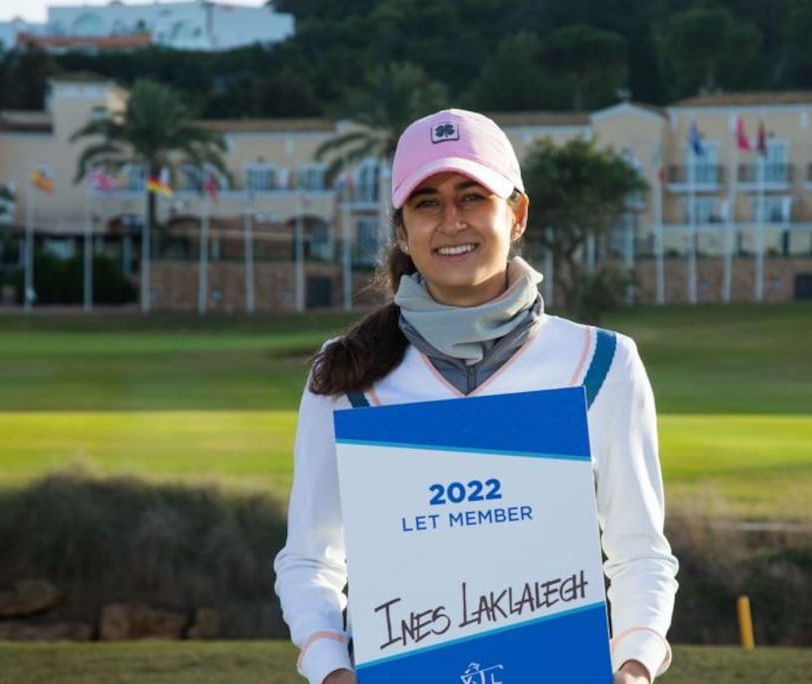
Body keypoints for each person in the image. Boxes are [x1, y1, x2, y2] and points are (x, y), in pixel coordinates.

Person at [274, 108, 678, 684]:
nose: (451, 221)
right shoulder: (343, 374)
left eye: (472, 196)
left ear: (516, 214)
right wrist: (331, 668)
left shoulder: (601, 362)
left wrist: (634, 664)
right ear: (402, 231)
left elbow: (640, 552)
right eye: (427, 202)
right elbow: (310, 559)